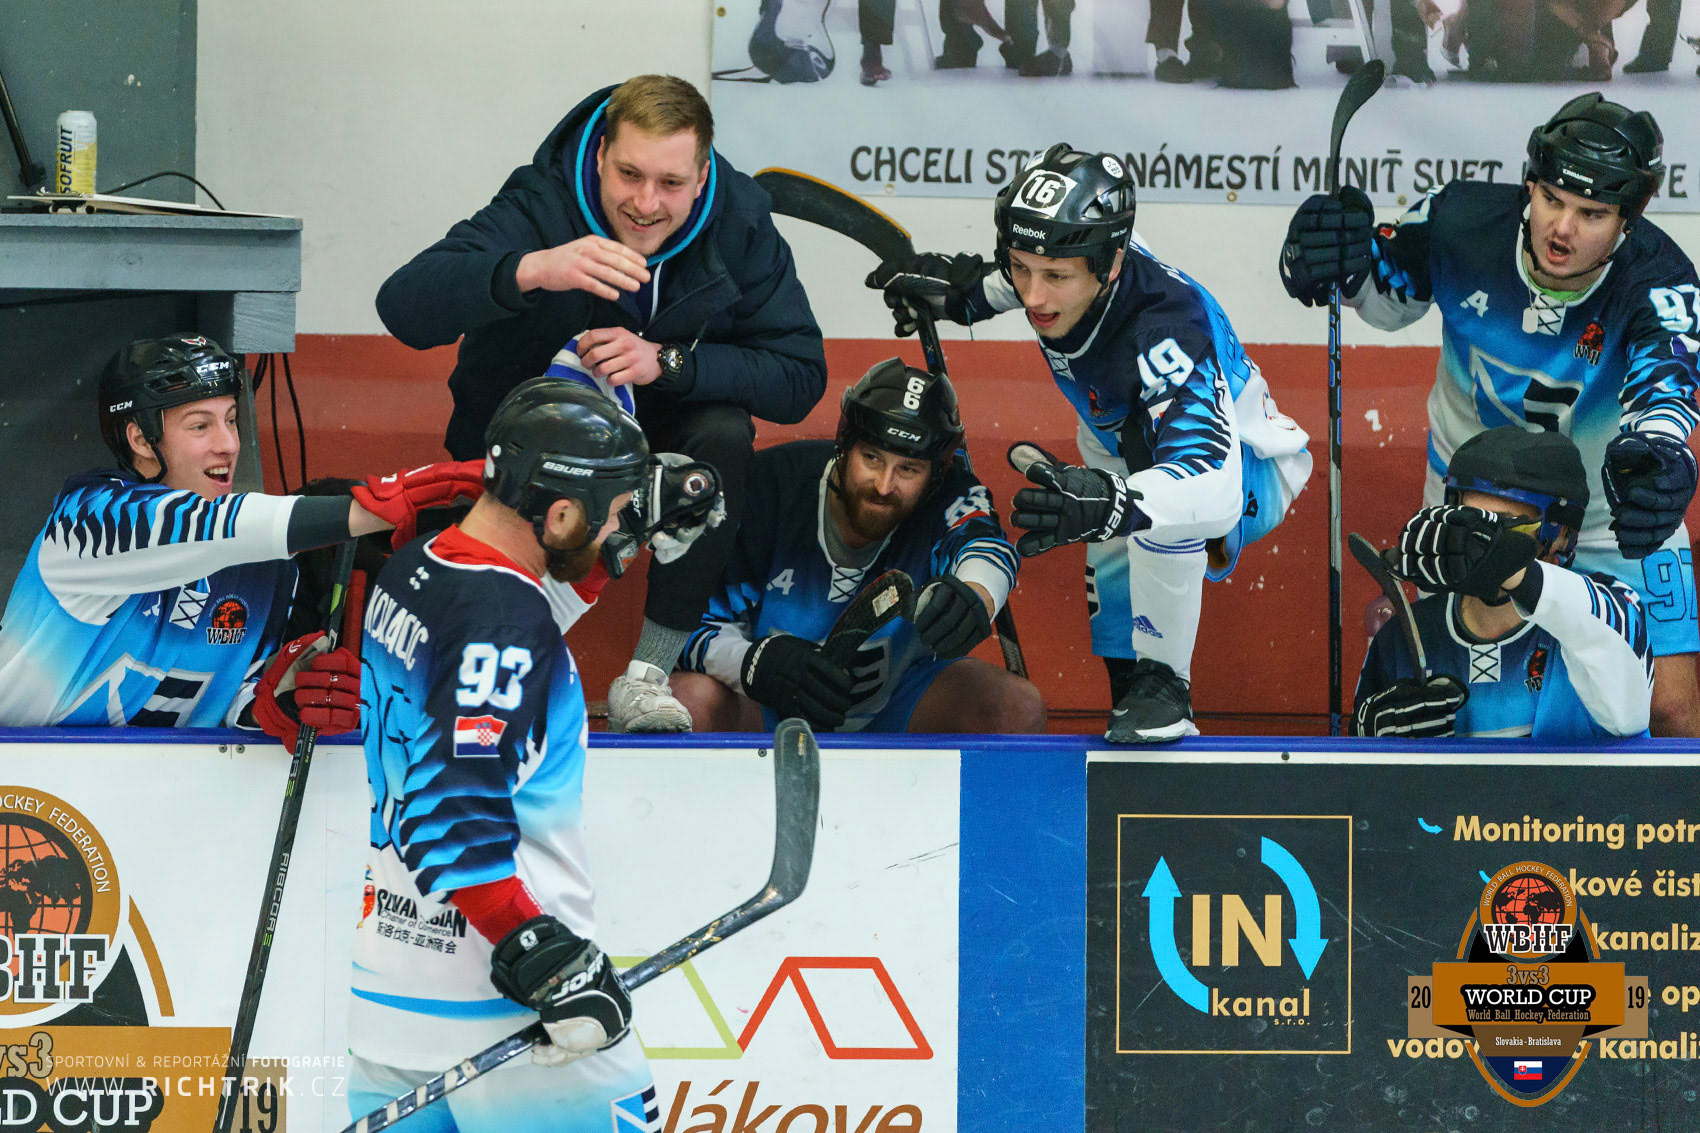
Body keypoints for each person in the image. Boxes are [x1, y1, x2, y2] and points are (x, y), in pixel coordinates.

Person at [374, 74, 827, 735]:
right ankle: (482, 670)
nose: (646, 203)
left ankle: (648, 677)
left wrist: (668, 362)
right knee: (470, 679)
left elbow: (801, 375)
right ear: (599, 157)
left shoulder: (740, 222)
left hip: (653, 450)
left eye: (670, 183)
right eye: (629, 174)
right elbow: (401, 306)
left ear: (703, 176)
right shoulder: (543, 200)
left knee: (724, 432)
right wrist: (534, 269)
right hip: (518, 443)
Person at [1280, 92, 1700, 735]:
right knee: (1453, 707)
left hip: (1606, 519)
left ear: (1629, 217)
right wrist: (1337, 260)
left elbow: (1664, 395)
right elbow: (1383, 296)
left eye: (1591, 213)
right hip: (1471, 509)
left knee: (1667, 707)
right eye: (1552, 199)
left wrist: (1662, 454)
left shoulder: (1660, 280)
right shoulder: (1457, 220)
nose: (1562, 228)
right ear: (1530, 183)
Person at [868, 148, 1312, 741]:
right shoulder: (1079, 259)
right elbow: (1036, 268)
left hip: (1242, 470)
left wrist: (1114, 502)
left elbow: (1212, 484)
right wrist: (964, 296)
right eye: (1019, 267)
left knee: (1151, 510)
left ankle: (1167, 687)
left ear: (1111, 264)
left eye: (1054, 277)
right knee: (1118, 624)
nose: (1033, 297)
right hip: (1122, 449)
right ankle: (1138, 702)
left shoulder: (1163, 333)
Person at [350, 379, 656, 1131]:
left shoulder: (418, 566)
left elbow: (513, 623)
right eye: (613, 514)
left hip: (389, 994)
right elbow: (452, 804)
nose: (618, 530)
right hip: (512, 1018)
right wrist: (539, 954)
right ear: (560, 514)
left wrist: (621, 543)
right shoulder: (505, 624)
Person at [0, 333, 483, 740]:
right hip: (28, 797)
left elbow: (228, 702)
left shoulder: (266, 563)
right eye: (200, 426)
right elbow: (203, 526)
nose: (228, 444)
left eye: (231, 419)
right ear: (141, 440)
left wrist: (280, 703)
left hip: (160, 799)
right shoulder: (86, 521)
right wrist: (369, 509)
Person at [670, 359, 1044, 734]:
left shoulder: (951, 493)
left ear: (936, 474)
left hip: (898, 705)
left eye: (908, 469)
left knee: (1016, 708)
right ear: (844, 443)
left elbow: (985, 547)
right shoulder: (769, 487)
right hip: (767, 708)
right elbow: (686, 629)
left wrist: (975, 595)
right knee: (685, 702)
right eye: (871, 458)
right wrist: (754, 663)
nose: (883, 485)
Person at [1355, 427, 1652, 739]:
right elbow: (1355, 764)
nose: (1476, 541)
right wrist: (1371, 740)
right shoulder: (1402, 635)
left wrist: (1511, 570)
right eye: (1468, 520)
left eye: (1504, 525)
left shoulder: (1611, 607)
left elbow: (1630, 713)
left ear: (1562, 533)